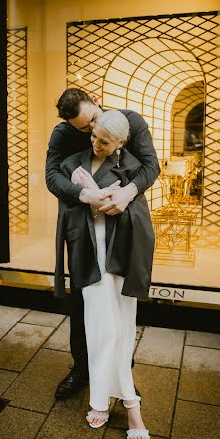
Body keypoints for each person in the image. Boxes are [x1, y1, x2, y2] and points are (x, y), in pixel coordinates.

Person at [45, 87, 160, 400]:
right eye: (82, 130)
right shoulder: (63, 134)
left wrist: (126, 193)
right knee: (84, 300)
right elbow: (52, 176)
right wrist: (84, 194)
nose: (90, 135)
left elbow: (152, 165)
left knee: (121, 303)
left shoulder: (131, 123)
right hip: (82, 228)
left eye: (92, 123)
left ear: (96, 100)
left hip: (122, 226)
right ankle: (82, 368)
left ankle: (122, 374)